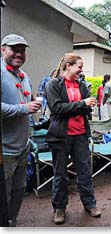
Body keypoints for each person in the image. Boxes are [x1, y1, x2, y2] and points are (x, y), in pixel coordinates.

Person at [45, 53, 101, 224]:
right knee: (60, 174)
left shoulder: (81, 85)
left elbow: (86, 110)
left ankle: (90, 204)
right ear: (68, 66)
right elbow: (56, 108)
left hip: (81, 135)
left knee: (85, 172)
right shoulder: (53, 84)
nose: (81, 71)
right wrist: (82, 104)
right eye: (79, 67)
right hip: (61, 137)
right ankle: (59, 209)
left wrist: (83, 105)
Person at [1, 34, 42, 227]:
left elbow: (26, 102)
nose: (18, 53)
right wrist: (24, 108)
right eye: (14, 49)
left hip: (22, 146)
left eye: (22, 50)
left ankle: (12, 223)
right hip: (4, 150)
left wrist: (31, 105)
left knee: (19, 190)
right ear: (3, 50)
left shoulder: (24, 76)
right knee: (3, 195)